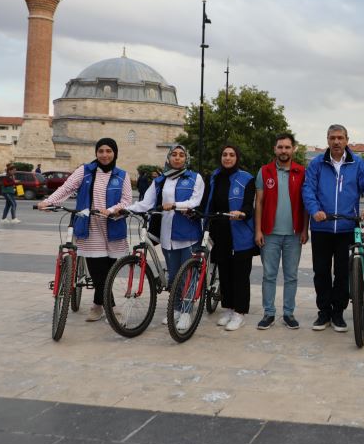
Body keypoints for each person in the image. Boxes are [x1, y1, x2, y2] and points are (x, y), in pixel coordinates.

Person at [39, 138, 133, 321]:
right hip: (90, 227)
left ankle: (98, 305)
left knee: (109, 270)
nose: (104, 155)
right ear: (96, 153)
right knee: (98, 271)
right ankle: (110, 307)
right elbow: (66, 188)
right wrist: (48, 202)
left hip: (113, 226)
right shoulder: (85, 171)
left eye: (109, 151)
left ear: (115, 153)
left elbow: (127, 200)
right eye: (101, 151)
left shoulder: (122, 175)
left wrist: (112, 210)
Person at [302, 124, 364, 332]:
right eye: (332, 138)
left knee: (343, 272)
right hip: (322, 226)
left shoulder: (358, 163)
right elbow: (308, 189)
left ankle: (338, 313)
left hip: (347, 226)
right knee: (321, 272)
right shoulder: (317, 163)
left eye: (340, 138)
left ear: (347, 140)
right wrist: (315, 210)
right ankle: (323, 313)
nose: (336, 141)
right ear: (327, 140)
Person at [123, 144, 204, 330]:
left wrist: (175, 205)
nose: (177, 158)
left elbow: (195, 201)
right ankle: (175, 308)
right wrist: (124, 209)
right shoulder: (160, 180)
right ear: (168, 158)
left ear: (186, 159)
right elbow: (146, 203)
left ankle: (186, 311)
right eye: (173, 155)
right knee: (174, 276)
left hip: (188, 235)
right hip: (167, 235)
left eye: (181, 155)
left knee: (188, 276)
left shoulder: (195, 178)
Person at [255, 133, 308, 330]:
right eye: (280, 147)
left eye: (287, 147)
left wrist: (305, 229)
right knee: (269, 274)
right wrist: (258, 230)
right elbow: (258, 202)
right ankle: (269, 313)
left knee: (291, 276)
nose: (283, 151)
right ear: (274, 149)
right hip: (269, 233)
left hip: (294, 234)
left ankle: (288, 313)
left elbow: (305, 204)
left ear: (293, 149)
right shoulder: (264, 171)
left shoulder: (302, 172)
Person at [205, 145, 257, 331]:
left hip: (240, 232)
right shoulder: (215, 177)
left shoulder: (247, 178)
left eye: (232, 155)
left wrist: (242, 213)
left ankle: (240, 313)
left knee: (240, 275)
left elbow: (249, 205)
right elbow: (209, 202)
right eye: (224, 154)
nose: (227, 158)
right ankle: (227, 308)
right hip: (219, 231)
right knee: (224, 272)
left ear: (237, 157)